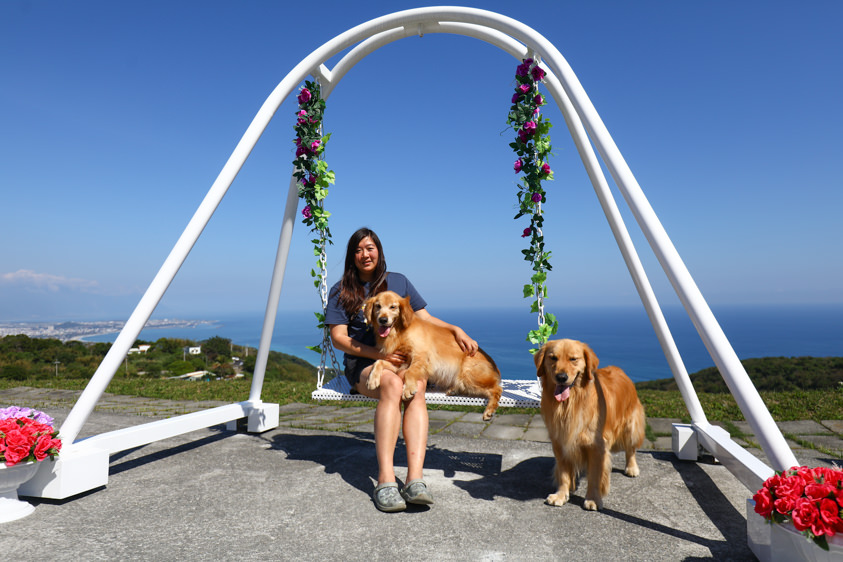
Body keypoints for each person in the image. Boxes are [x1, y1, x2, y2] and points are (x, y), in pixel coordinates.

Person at [326, 227, 478, 512]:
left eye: (369, 248)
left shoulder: (399, 281)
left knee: (416, 386)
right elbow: (339, 338)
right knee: (393, 386)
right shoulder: (342, 291)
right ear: (351, 256)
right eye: (358, 250)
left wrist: (455, 329)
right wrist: (377, 354)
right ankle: (385, 480)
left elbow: (426, 318)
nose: (364, 254)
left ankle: (415, 480)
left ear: (379, 251)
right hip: (362, 362)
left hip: (403, 358)